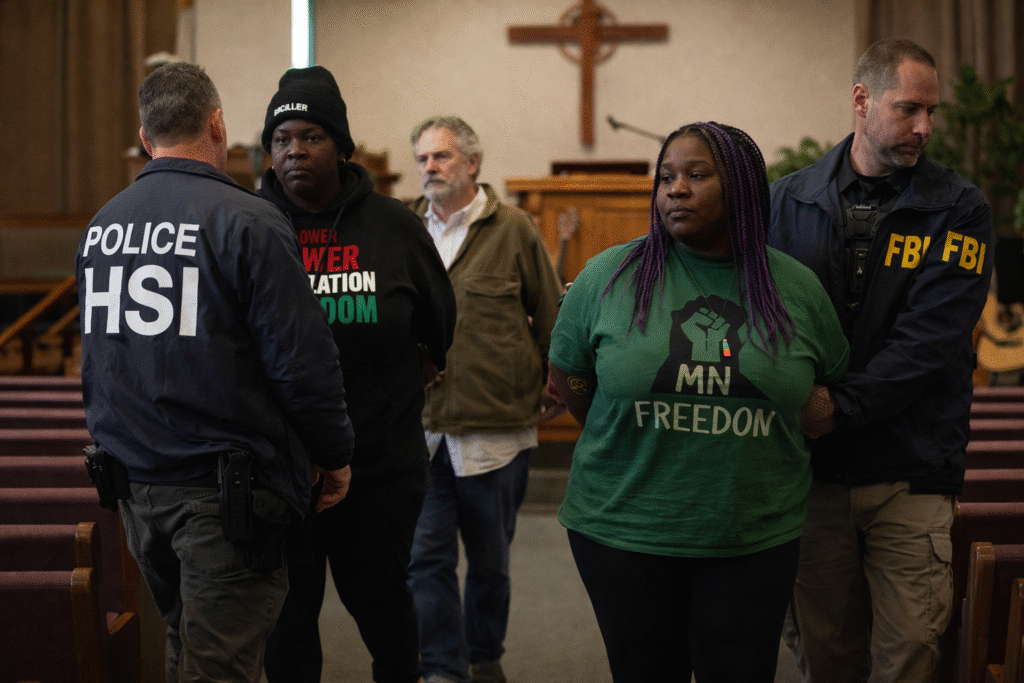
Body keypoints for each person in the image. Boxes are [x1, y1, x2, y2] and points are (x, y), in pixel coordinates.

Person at [75, 62, 354, 683]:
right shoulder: (247, 220)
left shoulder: (102, 228)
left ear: (146, 137)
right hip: (222, 497)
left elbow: (101, 363)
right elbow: (301, 362)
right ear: (218, 124)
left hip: (136, 488)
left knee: (188, 648)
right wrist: (334, 453)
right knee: (218, 668)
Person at [548, 122, 849, 683]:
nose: (675, 190)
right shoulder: (608, 276)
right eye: (666, 178)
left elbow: (826, 391)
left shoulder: (796, 288)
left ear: (740, 188)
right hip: (623, 530)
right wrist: (626, 425)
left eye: (696, 175)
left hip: (751, 535)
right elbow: (570, 375)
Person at [768, 38, 994, 682]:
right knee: (825, 655)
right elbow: (765, 323)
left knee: (910, 655)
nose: (925, 126)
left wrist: (836, 406)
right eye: (910, 108)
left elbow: (931, 340)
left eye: (933, 112)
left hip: (911, 470)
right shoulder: (787, 202)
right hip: (812, 478)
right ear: (861, 101)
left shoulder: (958, 208)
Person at [257, 67, 456, 683]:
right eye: (282, 137)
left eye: (311, 135)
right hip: (281, 472)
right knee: (288, 627)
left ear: (341, 144)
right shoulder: (246, 226)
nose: (295, 150)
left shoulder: (393, 225)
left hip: (379, 470)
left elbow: (438, 323)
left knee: (385, 611)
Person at [406, 116, 564, 683]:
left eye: (441, 157)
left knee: (491, 562)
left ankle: (484, 654)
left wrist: (560, 387)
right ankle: (445, 668)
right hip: (421, 430)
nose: (429, 168)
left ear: (472, 163)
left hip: (496, 428)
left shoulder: (513, 228)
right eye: (422, 158)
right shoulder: (402, 226)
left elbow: (551, 316)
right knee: (426, 558)